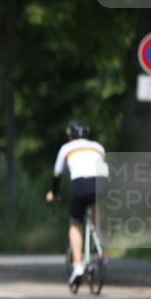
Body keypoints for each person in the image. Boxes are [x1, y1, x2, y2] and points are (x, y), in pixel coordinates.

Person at [45, 121, 108, 289]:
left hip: (80, 184)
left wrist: (53, 193)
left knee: (75, 224)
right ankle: (99, 242)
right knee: (94, 207)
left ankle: (78, 266)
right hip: (101, 184)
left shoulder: (67, 148)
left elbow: (57, 175)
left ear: (69, 135)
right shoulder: (98, 147)